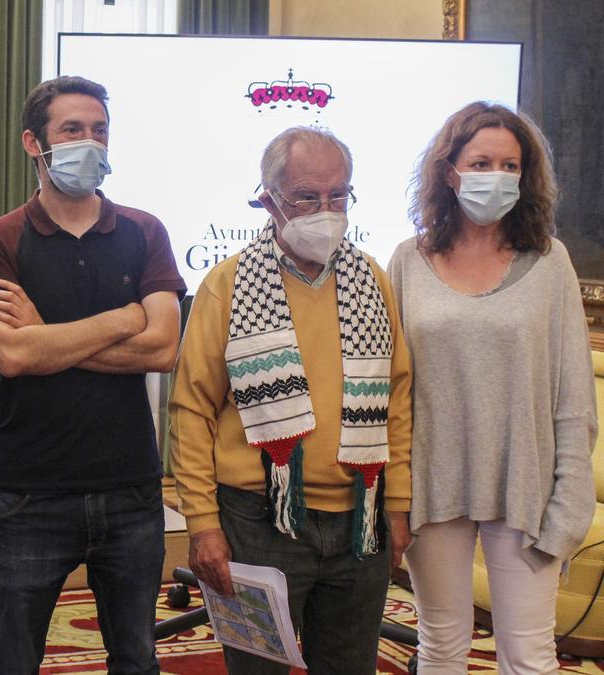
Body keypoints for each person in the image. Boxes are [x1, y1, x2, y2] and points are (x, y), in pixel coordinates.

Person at [0, 75, 187, 674]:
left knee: (136, 658)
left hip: (131, 487)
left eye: (100, 130)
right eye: (73, 130)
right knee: (14, 660)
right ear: (35, 143)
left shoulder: (144, 231)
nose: (92, 141)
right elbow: (14, 356)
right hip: (28, 491)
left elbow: (163, 347)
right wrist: (125, 315)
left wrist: (47, 333)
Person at [169, 126, 413, 674]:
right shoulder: (227, 284)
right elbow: (192, 410)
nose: (324, 210)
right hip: (256, 520)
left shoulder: (372, 278)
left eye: (338, 195)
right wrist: (203, 523)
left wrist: (397, 505)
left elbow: (398, 399)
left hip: (361, 519)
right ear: (269, 198)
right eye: (306, 196)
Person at [391, 101, 598, 673]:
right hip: (432, 489)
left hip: (525, 491)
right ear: (449, 170)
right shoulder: (408, 261)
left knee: (529, 655)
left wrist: (569, 508)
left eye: (511, 165)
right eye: (483, 162)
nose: (498, 176)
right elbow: (389, 392)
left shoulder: (550, 261)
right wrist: (393, 497)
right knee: (440, 647)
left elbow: (574, 399)